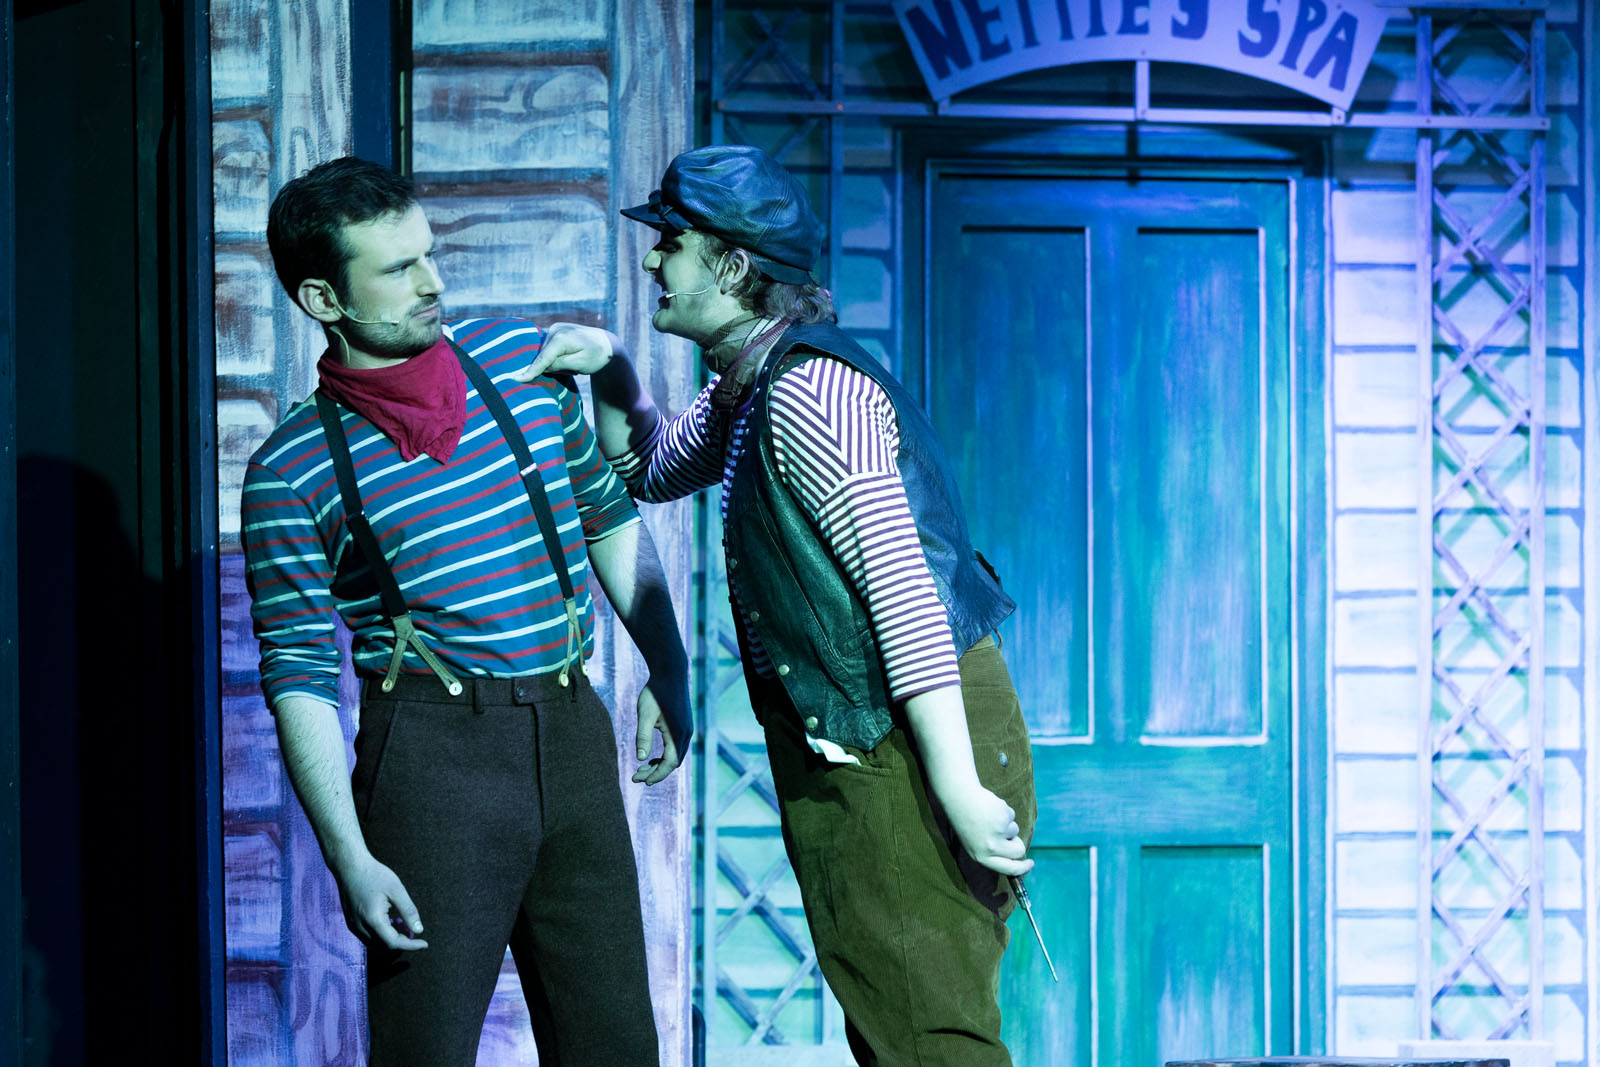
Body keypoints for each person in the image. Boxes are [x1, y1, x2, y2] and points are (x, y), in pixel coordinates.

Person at [520, 144, 1037, 1065]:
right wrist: (611, 367)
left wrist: (956, 786)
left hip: (904, 734)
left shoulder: (808, 394)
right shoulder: (751, 385)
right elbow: (648, 466)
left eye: (672, 241)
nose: (653, 259)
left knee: (928, 1036)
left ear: (730, 266)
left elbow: (906, 597)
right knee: (898, 1024)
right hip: (867, 734)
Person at [240, 156, 691, 1066]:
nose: (432, 282)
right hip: (431, 761)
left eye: (429, 254)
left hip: (569, 728)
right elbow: (299, 674)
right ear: (324, 299)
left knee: (615, 1044)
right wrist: (349, 855)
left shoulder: (521, 365)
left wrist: (669, 667)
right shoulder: (291, 468)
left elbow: (609, 517)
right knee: (426, 1049)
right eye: (398, 268)